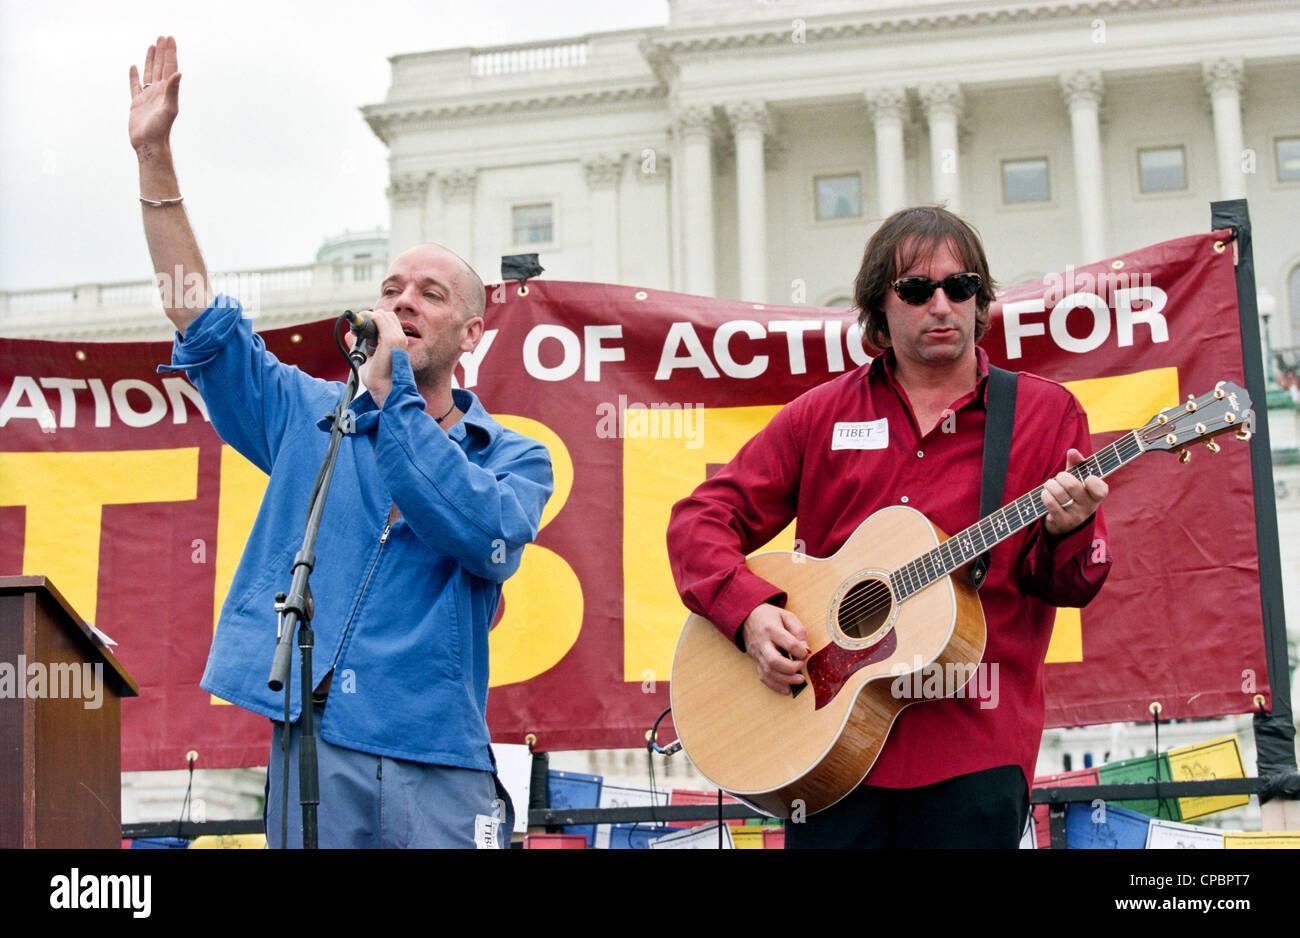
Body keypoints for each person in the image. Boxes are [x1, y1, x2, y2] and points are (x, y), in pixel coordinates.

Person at [129, 36, 553, 847]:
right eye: (391, 289)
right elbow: (203, 328)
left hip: (440, 756)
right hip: (316, 748)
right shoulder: (308, 415)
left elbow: (484, 536)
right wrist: (155, 161)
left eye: (430, 294)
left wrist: (390, 399)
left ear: (471, 331)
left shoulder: (511, 456)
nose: (402, 303)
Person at [666, 205, 1111, 848]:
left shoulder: (1044, 414)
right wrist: (750, 615)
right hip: (821, 747)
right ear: (880, 304)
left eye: (961, 287)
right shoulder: (820, 414)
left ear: (980, 300)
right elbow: (700, 519)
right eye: (916, 289)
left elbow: (1067, 584)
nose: (941, 305)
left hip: (973, 749)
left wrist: (1068, 530)